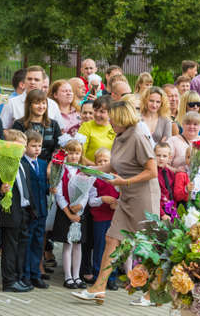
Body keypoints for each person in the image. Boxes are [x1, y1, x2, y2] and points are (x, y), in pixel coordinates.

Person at [71, 98, 159, 305]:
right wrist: (88, 171)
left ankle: (153, 292)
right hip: (128, 195)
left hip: (143, 197)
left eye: (113, 119)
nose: (109, 122)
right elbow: (113, 165)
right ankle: (99, 288)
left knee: (146, 245)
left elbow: (152, 171)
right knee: (112, 239)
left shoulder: (138, 135)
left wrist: (126, 182)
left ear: (123, 118)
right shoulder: (120, 136)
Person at [0, 129, 35, 292]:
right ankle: (9, 281)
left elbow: (28, 189)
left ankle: (19, 277)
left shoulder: (23, 164)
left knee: (21, 247)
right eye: (19, 145)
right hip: (11, 212)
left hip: (24, 211)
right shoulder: (2, 165)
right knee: (10, 248)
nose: (23, 149)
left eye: (24, 146)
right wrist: (1, 190)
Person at [51, 135, 89, 290]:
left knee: (78, 245)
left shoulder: (83, 171)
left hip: (79, 213)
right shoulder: (61, 170)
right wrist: (68, 212)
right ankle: (68, 276)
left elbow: (87, 191)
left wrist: (80, 206)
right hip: (66, 212)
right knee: (67, 245)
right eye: (71, 153)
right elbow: (58, 193)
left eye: (77, 153)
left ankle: (76, 275)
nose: (74, 156)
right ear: (66, 154)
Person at [88, 148, 120, 290]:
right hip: (100, 218)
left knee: (114, 249)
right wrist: (103, 199)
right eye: (99, 161)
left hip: (115, 218)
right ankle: (97, 276)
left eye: (105, 161)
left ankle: (112, 277)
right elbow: (91, 201)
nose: (103, 163)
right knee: (100, 247)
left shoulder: (117, 178)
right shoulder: (95, 179)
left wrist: (117, 203)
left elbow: (123, 195)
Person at [21, 130, 50, 289]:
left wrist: (50, 188)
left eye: (39, 146)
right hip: (29, 210)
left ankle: (35, 274)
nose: (37, 149)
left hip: (41, 209)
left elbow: (44, 186)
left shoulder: (43, 163)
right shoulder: (22, 163)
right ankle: (25, 275)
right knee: (27, 242)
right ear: (25, 147)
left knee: (38, 243)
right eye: (33, 146)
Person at [0, 66, 63, 130]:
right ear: (24, 81)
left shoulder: (52, 105)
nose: (32, 82)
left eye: (36, 80)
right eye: (29, 79)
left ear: (43, 83)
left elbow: (60, 129)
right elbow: (2, 129)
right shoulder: (11, 103)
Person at [12, 89, 61, 162]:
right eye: (37, 103)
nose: (41, 106)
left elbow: (58, 147)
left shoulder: (53, 124)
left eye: (44, 103)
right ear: (29, 105)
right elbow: (16, 148)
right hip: (26, 164)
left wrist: (52, 163)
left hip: (49, 164)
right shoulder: (19, 124)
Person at [78, 95, 115, 166]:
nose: (97, 114)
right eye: (95, 110)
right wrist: (98, 168)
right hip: (90, 171)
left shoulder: (115, 127)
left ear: (110, 113)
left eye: (102, 112)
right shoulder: (86, 126)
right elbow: (79, 154)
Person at [154, 142, 175, 220]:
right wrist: (162, 214)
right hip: (156, 211)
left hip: (169, 209)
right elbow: (152, 198)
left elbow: (172, 195)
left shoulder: (171, 174)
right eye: (158, 155)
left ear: (169, 158)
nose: (161, 158)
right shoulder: (152, 173)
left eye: (164, 156)